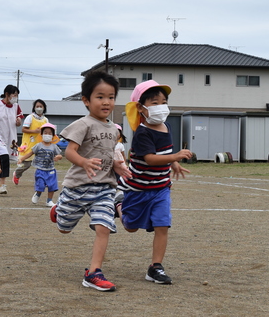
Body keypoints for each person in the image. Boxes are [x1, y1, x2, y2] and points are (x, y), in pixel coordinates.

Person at [49, 70, 130, 292]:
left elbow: (108, 153)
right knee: (63, 229)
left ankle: (94, 273)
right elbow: (70, 152)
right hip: (77, 188)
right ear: (86, 100)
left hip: (104, 188)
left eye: (111, 97)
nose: (106, 102)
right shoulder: (82, 124)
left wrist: (117, 165)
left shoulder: (114, 129)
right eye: (100, 96)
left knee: (104, 226)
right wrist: (83, 162)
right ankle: (58, 210)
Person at [118, 80, 192, 285]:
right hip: (138, 188)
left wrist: (174, 163)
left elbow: (165, 151)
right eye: (154, 103)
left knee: (162, 225)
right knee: (130, 227)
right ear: (141, 108)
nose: (161, 107)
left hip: (160, 188)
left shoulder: (166, 126)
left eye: (164, 102)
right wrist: (175, 156)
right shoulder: (142, 132)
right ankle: (118, 204)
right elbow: (150, 158)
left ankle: (155, 267)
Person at [17, 123, 62, 207]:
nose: (47, 135)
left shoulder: (54, 146)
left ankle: (49, 201)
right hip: (40, 170)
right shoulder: (38, 145)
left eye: (50, 133)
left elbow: (60, 155)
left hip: (51, 170)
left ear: (53, 135)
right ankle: (38, 193)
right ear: (41, 134)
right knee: (40, 185)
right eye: (45, 132)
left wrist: (58, 157)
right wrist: (22, 159)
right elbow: (30, 153)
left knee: (52, 186)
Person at [13, 99, 49, 185]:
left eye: (41, 106)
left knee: (43, 164)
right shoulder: (30, 117)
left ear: (44, 108)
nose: (39, 108)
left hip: (41, 144)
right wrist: (34, 131)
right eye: (37, 106)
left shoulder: (45, 120)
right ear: (34, 108)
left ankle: (43, 181)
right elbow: (23, 129)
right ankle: (17, 174)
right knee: (26, 164)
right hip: (29, 144)